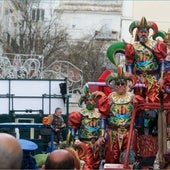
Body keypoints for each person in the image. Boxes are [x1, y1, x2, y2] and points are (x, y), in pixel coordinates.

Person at [96, 65, 138, 164]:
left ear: (126, 85)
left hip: (129, 133)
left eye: (122, 83)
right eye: (117, 83)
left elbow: (140, 113)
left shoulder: (133, 98)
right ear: (114, 85)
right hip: (112, 133)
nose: (119, 86)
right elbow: (103, 117)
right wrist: (102, 135)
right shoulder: (109, 98)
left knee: (129, 160)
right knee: (111, 159)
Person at [125, 16, 167, 103]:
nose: (143, 34)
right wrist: (129, 79)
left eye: (145, 32)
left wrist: (162, 78)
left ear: (148, 33)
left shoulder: (155, 45)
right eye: (141, 32)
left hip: (153, 77)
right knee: (138, 100)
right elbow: (129, 64)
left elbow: (162, 62)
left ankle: (152, 116)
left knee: (153, 100)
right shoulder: (133, 46)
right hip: (138, 78)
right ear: (138, 33)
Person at [67, 84, 106, 170]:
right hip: (84, 144)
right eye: (87, 100)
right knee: (86, 165)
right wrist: (76, 140)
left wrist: (101, 137)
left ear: (94, 101)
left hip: (97, 145)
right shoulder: (80, 114)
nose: (89, 102)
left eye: (91, 100)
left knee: (96, 165)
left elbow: (103, 127)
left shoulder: (100, 113)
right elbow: (74, 128)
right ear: (84, 102)